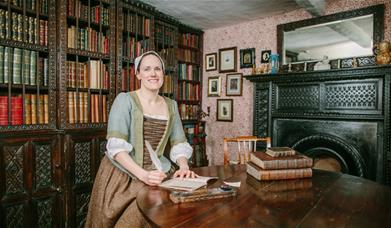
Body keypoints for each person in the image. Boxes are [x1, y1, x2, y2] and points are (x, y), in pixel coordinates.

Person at [86, 51, 196, 227]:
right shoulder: (124, 100)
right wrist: (143, 175)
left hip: (157, 173)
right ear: (138, 74)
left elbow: (179, 142)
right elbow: (116, 148)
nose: (153, 73)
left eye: (157, 69)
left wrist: (183, 166)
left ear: (163, 73)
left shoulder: (171, 105)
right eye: (146, 69)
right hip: (124, 175)